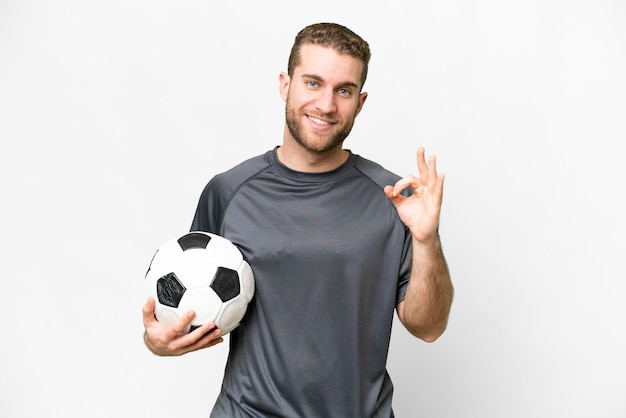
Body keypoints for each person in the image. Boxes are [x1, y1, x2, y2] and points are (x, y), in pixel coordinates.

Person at [142, 22, 454, 417]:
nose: (326, 104)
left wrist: (427, 240)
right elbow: (186, 305)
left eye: (344, 90)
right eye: (312, 83)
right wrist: (157, 341)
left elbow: (428, 327)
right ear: (284, 84)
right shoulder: (229, 191)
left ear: (361, 101)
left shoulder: (393, 198)